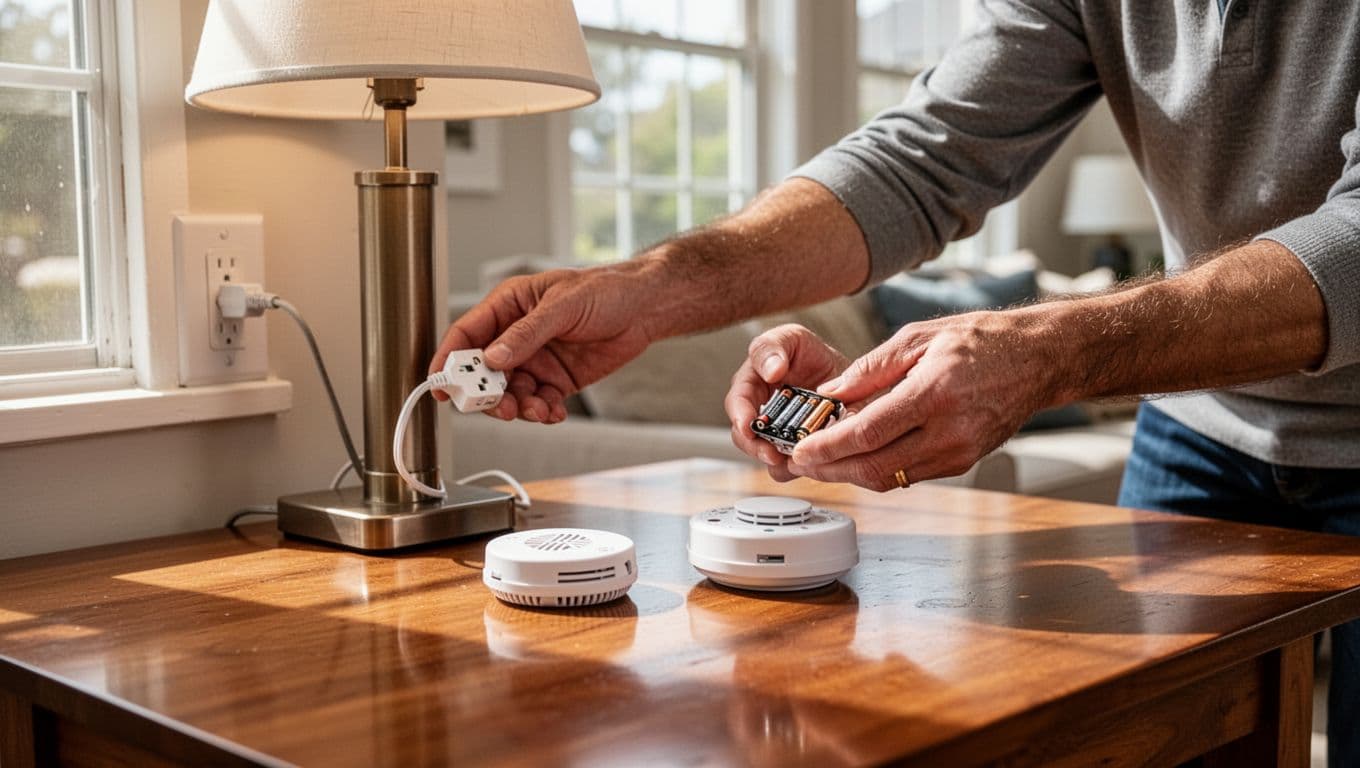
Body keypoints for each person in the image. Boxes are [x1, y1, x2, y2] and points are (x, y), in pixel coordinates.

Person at [433, 3, 1358, 764]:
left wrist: (1052, 349)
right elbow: (920, 158)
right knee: (1150, 743)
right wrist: (645, 290)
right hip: (1198, 429)